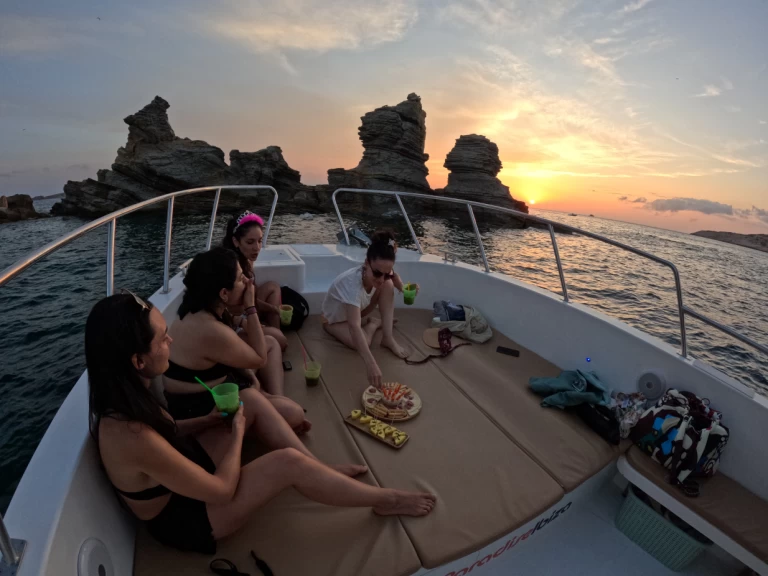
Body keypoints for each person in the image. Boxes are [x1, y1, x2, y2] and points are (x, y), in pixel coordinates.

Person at [87, 294, 437, 553]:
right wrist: (236, 433)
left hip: (183, 473)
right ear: (137, 359)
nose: (171, 341)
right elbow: (221, 490)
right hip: (187, 518)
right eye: (162, 339)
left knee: (249, 400)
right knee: (287, 463)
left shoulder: (131, 393)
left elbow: (170, 434)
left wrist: (209, 420)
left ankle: (321, 471)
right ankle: (385, 499)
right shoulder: (130, 432)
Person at [163, 247, 305, 432]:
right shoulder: (210, 329)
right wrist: (250, 306)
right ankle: (269, 405)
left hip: (213, 386)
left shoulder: (198, 309)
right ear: (223, 293)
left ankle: (272, 399)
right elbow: (260, 359)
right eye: (241, 279)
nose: (248, 281)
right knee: (295, 414)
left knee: (271, 343)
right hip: (203, 408)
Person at [322, 229, 415, 388]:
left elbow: (394, 278)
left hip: (358, 310)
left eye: (386, 273)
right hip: (334, 320)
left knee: (389, 285)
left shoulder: (383, 272)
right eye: (377, 273)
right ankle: (373, 324)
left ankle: (388, 338)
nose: (381, 278)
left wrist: (406, 289)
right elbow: (354, 327)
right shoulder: (352, 284)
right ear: (366, 263)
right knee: (363, 341)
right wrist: (371, 364)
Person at [223, 210, 287, 351]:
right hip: (236, 319)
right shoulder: (229, 267)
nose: (257, 248)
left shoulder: (246, 258)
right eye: (250, 242)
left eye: (259, 241)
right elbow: (242, 303)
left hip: (248, 308)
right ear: (236, 241)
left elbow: (252, 295)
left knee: (273, 287)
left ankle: (273, 330)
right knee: (281, 341)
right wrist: (274, 309)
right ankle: (271, 335)